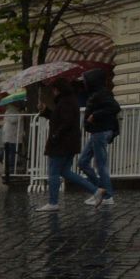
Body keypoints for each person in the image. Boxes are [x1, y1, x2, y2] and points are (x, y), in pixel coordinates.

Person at [36, 76, 103, 210]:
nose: (53, 92)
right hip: (68, 143)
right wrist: (45, 111)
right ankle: (96, 191)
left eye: (54, 89)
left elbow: (65, 122)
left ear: (59, 89)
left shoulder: (65, 102)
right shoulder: (67, 100)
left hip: (61, 143)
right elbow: (58, 118)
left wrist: (55, 135)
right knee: (65, 172)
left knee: (53, 172)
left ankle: (53, 202)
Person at [76, 67, 119, 207]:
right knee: (83, 162)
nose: (84, 84)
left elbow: (115, 107)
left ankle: (107, 196)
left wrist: (95, 115)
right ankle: (100, 191)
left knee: (101, 165)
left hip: (100, 131)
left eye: (86, 81)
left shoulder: (102, 93)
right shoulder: (97, 93)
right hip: (97, 132)